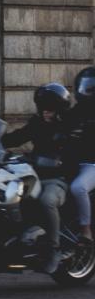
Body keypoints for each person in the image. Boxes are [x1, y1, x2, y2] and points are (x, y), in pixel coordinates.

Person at [5, 82, 78, 273]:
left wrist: (57, 162)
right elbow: (19, 137)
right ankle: (17, 238)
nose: (46, 113)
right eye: (44, 109)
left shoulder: (68, 129)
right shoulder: (36, 123)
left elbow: (72, 156)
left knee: (47, 201)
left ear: (59, 110)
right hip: (34, 175)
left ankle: (54, 248)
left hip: (58, 179)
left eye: (51, 110)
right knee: (9, 193)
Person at [67, 67, 95, 243]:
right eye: (84, 87)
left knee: (78, 187)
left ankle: (86, 230)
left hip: (92, 164)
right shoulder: (74, 112)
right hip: (72, 162)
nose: (85, 92)